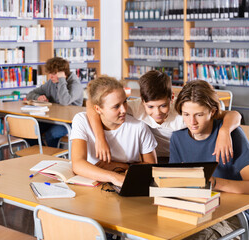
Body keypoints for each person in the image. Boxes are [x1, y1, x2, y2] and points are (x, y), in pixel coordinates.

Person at [86, 70, 242, 163]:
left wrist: (225, 131)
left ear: (172, 98)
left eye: (163, 106)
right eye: (151, 107)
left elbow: (233, 114)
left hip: (181, 160)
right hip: (152, 160)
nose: (157, 112)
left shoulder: (184, 113)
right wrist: (100, 138)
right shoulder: (135, 108)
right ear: (142, 100)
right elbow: (91, 104)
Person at [170, 80, 249, 239]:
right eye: (186, 115)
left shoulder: (233, 135)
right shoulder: (177, 139)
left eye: (199, 115)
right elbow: (174, 184)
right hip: (194, 210)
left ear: (212, 112)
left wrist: (214, 182)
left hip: (231, 215)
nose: (192, 122)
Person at [71, 75, 157, 187]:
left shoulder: (139, 127)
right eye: (116, 106)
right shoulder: (82, 121)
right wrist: (113, 177)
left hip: (125, 181)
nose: (124, 110)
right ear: (98, 109)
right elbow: (77, 164)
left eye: (125, 102)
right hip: (94, 183)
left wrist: (119, 166)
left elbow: (152, 166)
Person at [26, 57, 83, 147]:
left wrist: (61, 80)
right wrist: (38, 97)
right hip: (53, 119)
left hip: (71, 121)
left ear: (63, 73)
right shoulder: (51, 82)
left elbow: (64, 101)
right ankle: (43, 153)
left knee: (51, 134)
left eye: (54, 74)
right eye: (49, 73)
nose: (50, 77)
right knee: (29, 131)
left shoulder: (75, 85)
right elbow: (30, 94)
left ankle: (56, 158)